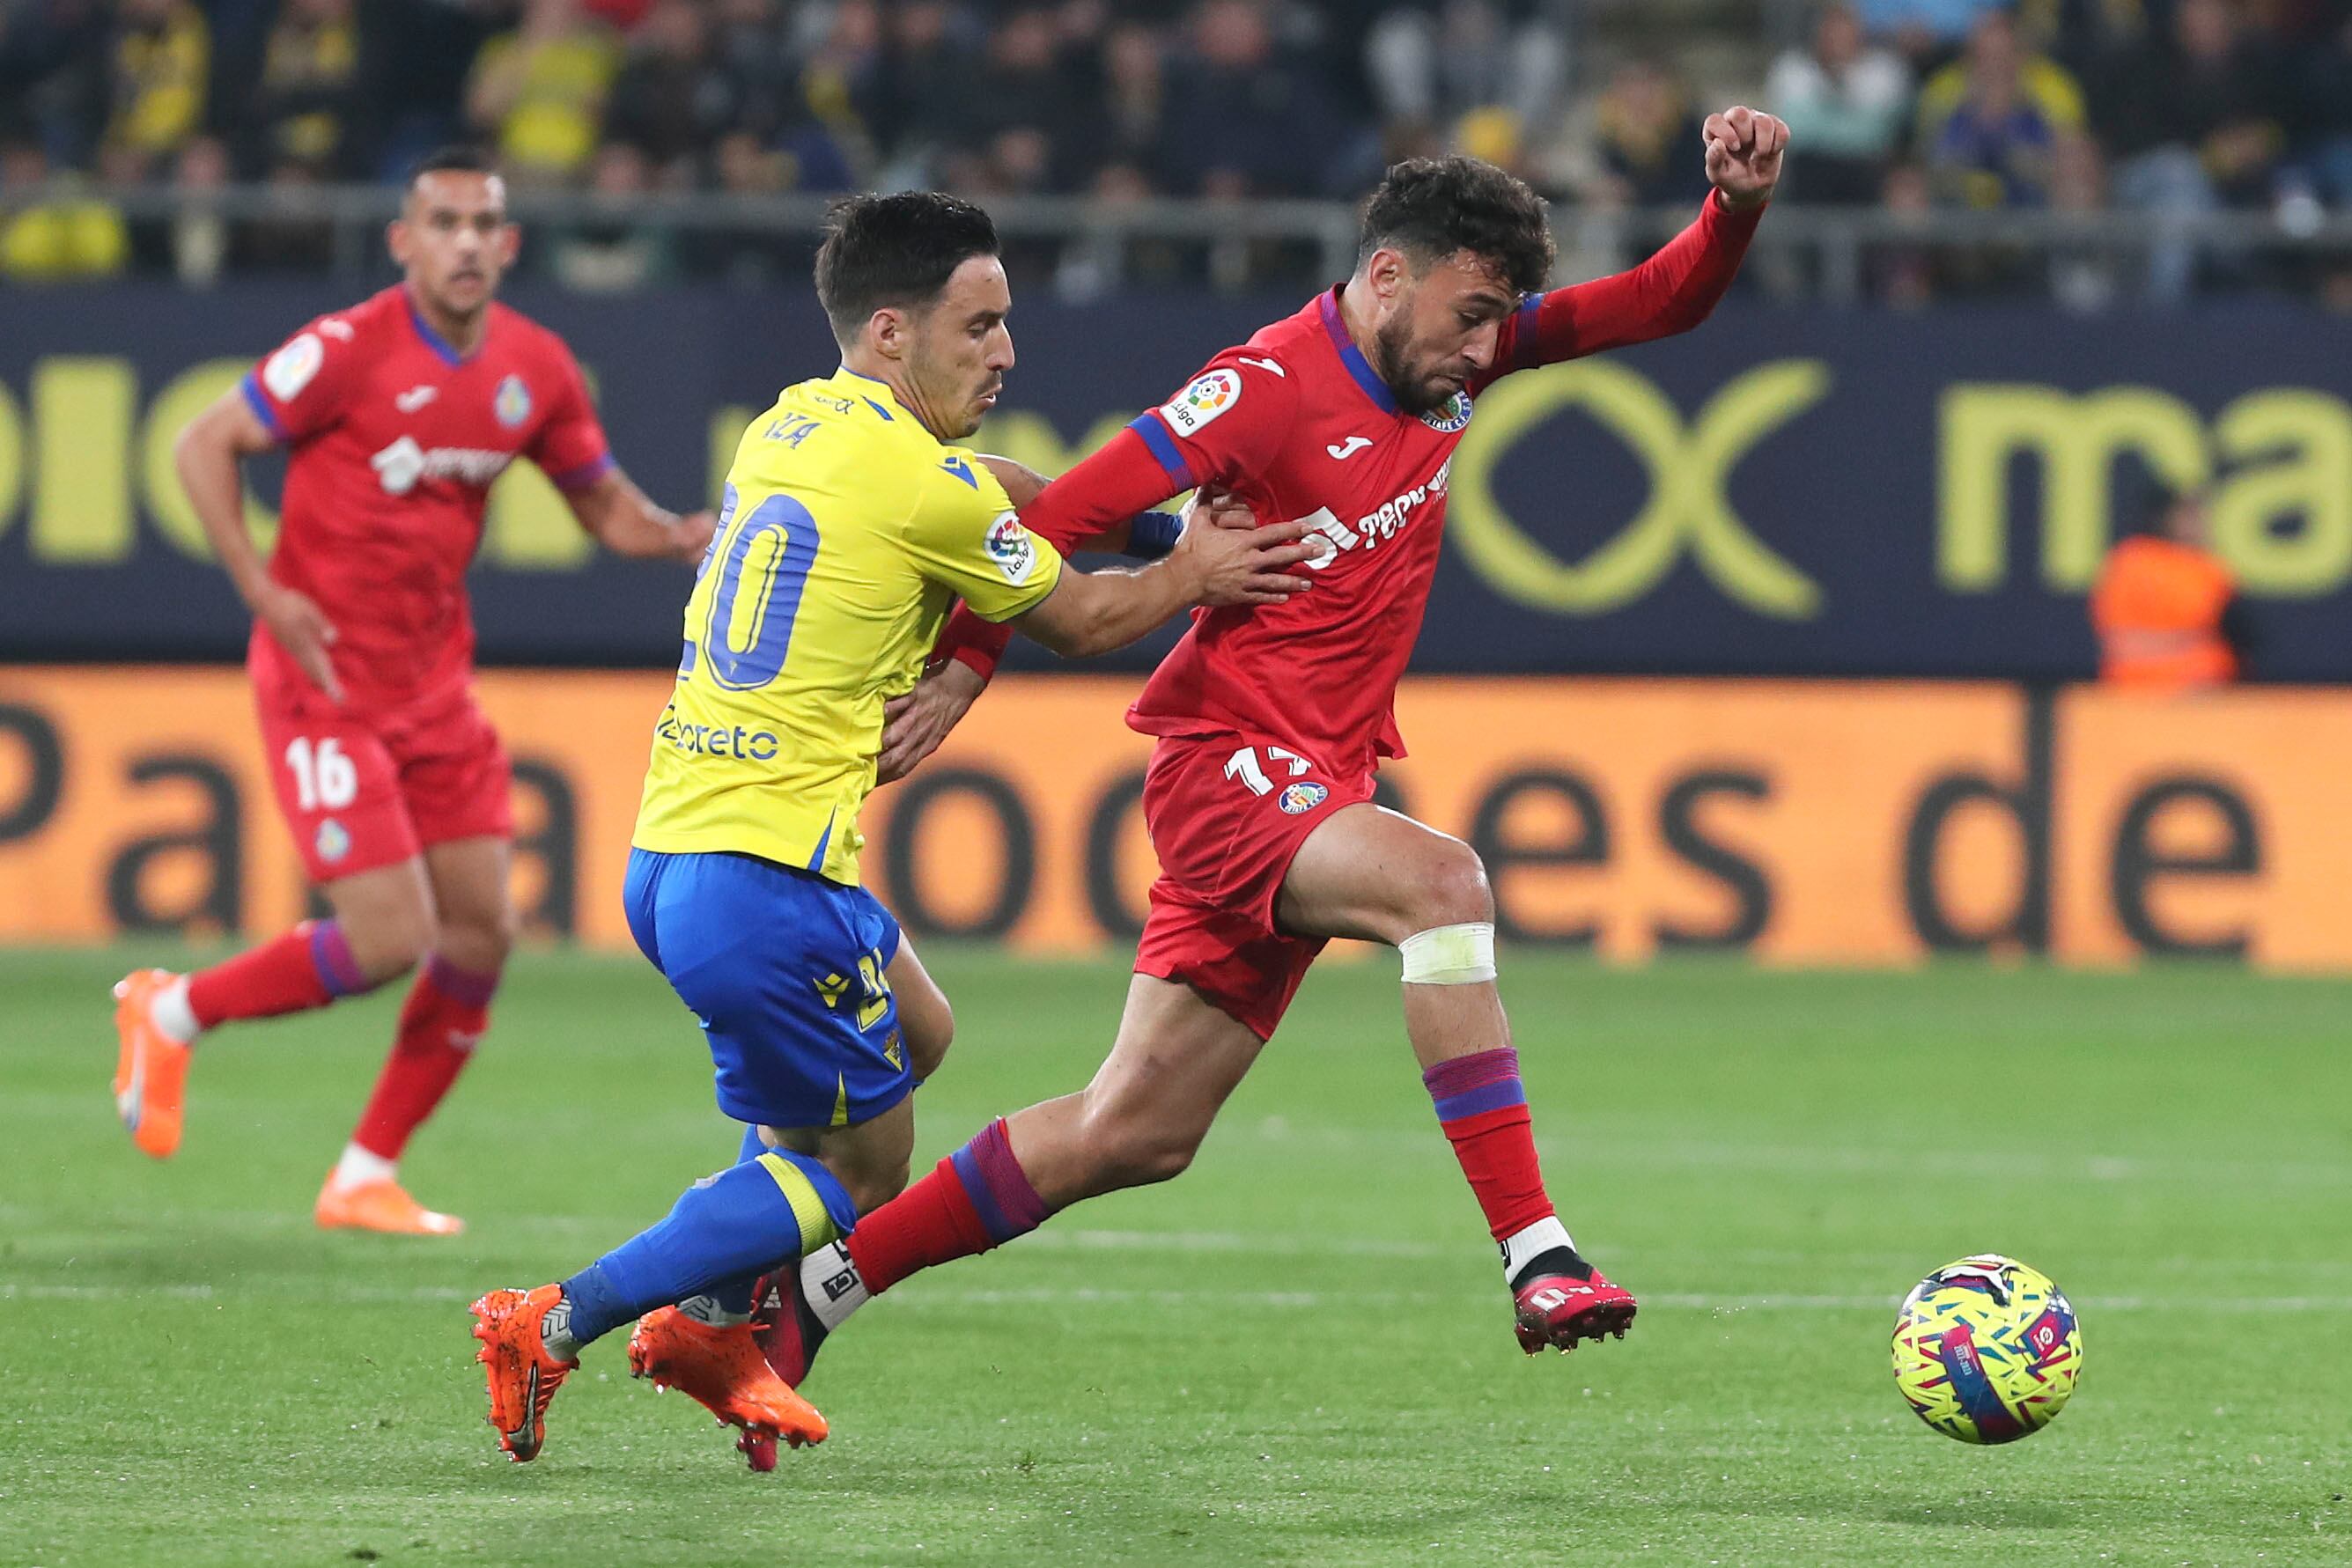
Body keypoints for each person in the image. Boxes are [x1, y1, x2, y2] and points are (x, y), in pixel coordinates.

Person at [753, 121, 1787, 1428]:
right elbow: (1062, 511)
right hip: (1226, 772)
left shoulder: (1452, 365)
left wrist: (1729, 206)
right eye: (1469, 314)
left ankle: (816, 1293)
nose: (1485, 349)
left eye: (1500, 322)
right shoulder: (1261, 387)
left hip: (1315, 779)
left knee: (1133, 1130)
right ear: (1388, 278)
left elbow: (1659, 300)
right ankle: (1536, 1252)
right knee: (1442, 885)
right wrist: (965, 670)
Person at [464, 192, 1319, 1467]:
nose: (1004, 351)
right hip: (768, 879)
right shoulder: (920, 485)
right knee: (860, 1173)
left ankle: (711, 1313)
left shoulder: (791, 425)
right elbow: (1081, 620)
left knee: (920, 1029)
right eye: (976, 326)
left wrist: (1146, 518)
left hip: (674, 854)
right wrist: (1187, 569)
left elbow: (1007, 491)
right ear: (887, 331)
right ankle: (562, 1317)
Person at [109, 147, 715, 1235]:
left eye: (486, 223)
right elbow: (206, 442)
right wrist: (262, 588)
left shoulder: (536, 367)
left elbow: (602, 501)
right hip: (324, 679)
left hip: (436, 686)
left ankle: (364, 1173)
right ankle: (175, 1005)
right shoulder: (348, 349)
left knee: (481, 930)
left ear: (511, 242)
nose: (468, 242)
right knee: (390, 936)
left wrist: (679, 535)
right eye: (445, 222)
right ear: (404, 240)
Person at [2090, 488, 2251, 689]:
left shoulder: (2210, 569)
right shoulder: (2133, 561)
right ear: (2167, 516)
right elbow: (2118, 641)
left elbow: (2239, 636)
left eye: (2200, 516)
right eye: (2188, 515)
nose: (2198, 524)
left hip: (2206, 685)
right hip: (2134, 687)